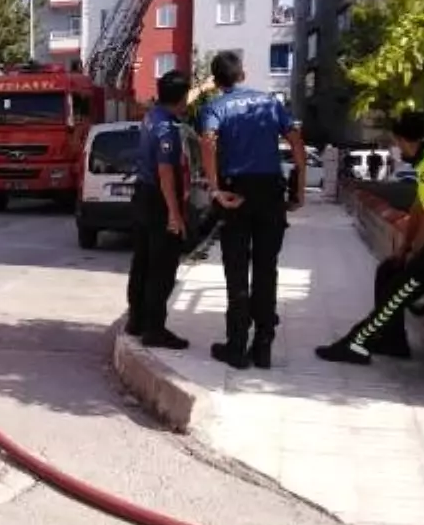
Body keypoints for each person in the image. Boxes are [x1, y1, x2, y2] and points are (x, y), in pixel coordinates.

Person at [316, 112, 424, 365]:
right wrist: (403, 249)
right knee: (388, 271)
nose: (396, 148)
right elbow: (419, 206)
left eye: (395, 143)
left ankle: (357, 343)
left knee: (400, 288)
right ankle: (393, 341)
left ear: (401, 139)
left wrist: (417, 253)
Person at [199, 51, 306, 370]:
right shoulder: (270, 103)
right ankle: (263, 347)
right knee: (266, 269)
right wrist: (298, 189)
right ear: (242, 75)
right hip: (271, 193)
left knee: (236, 272)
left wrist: (216, 188)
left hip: (236, 194)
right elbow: (297, 143)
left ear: (216, 81)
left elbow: (207, 142)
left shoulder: (215, 106)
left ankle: (236, 347)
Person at [125, 70, 192, 349]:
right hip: (158, 200)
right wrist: (175, 215)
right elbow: (166, 171)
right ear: (181, 98)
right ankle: (154, 329)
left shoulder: (151, 117)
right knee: (161, 267)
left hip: (142, 195)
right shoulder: (167, 128)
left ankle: (136, 320)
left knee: (142, 262)